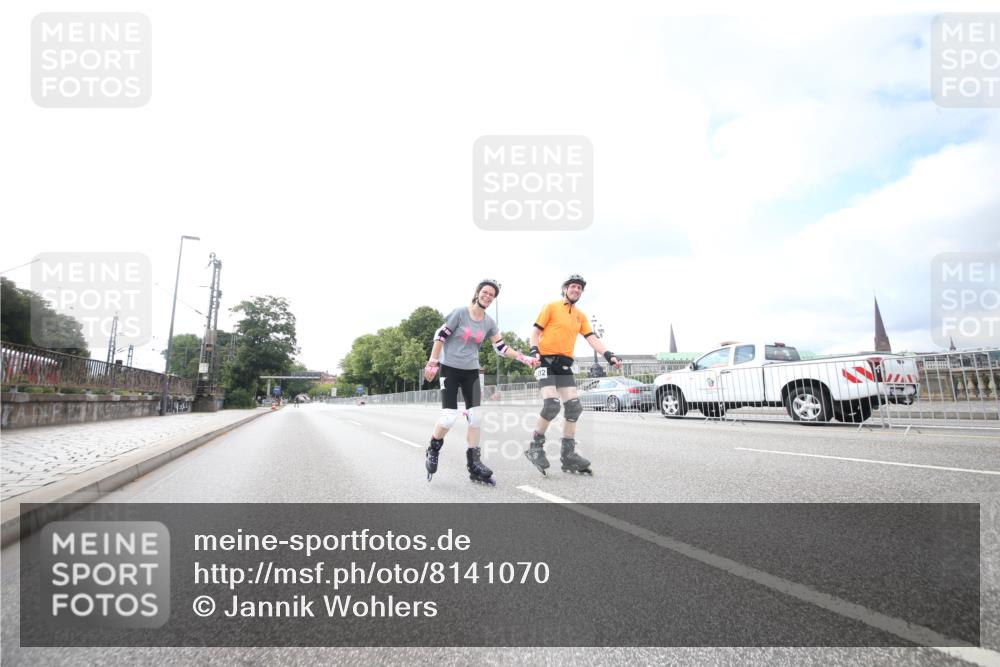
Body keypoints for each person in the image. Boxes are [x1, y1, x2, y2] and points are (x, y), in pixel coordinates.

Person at [424, 279, 539, 485]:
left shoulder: (488, 322)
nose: (487, 296)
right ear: (478, 293)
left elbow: (502, 348)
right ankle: (433, 448)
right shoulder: (460, 313)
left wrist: (524, 358)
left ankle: (474, 464)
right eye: (485, 292)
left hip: (471, 372)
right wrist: (433, 362)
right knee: (449, 417)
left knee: (476, 418)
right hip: (450, 369)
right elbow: (440, 336)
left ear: (493, 299)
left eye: (491, 295)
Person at [525, 274, 621, 475]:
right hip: (545, 361)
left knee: (574, 407)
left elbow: (592, 338)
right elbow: (534, 332)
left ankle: (567, 456)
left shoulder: (580, 316)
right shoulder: (551, 307)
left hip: (564, 364)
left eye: (579, 288)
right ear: (565, 289)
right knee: (551, 405)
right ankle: (535, 447)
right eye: (573, 286)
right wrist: (534, 351)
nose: (576, 290)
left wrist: (608, 354)